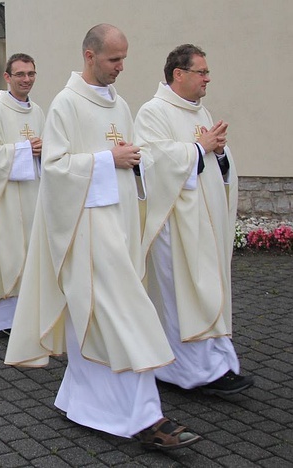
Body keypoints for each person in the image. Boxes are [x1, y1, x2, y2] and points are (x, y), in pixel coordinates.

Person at [4, 24, 202, 450]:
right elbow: (55, 171)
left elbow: (135, 161)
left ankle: (83, 401)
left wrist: (135, 161)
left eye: (124, 58)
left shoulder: (121, 105)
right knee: (125, 318)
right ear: (90, 56)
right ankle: (146, 416)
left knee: (97, 320)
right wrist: (106, 159)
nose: (121, 67)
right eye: (114, 59)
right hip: (86, 231)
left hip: (120, 228)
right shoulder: (65, 105)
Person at [135, 44, 253, 396]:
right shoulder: (152, 112)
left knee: (209, 291)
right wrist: (201, 148)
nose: (207, 78)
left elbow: (212, 159)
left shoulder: (200, 112)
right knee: (183, 297)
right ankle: (190, 372)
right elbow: (153, 162)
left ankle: (218, 363)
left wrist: (219, 152)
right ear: (178, 74)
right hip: (176, 226)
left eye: (206, 72)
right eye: (201, 72)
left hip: (206, 223)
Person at [0, 53, 45, 334]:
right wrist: (26, 149)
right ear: (7, 77)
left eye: (31, 74)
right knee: (7, 256)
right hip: (4, 201)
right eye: (20, 74)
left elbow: (46, 152)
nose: (26, 79)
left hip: (33, 195)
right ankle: (4, 321)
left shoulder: (37, 111)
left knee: (31, 257)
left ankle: (29, 316)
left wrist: (42, 150)